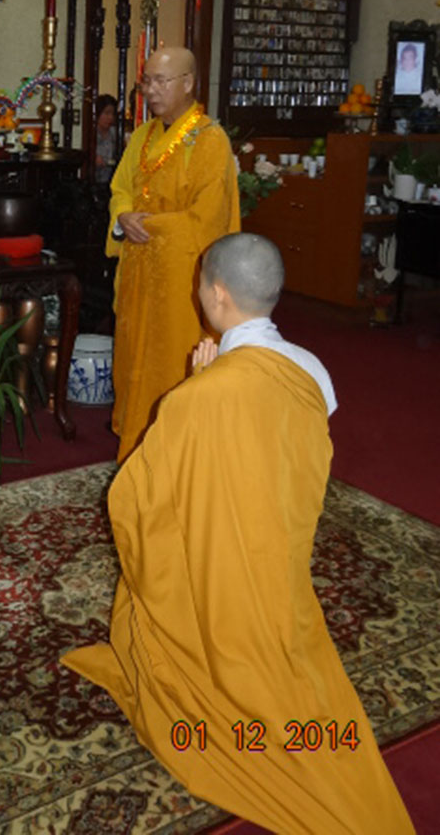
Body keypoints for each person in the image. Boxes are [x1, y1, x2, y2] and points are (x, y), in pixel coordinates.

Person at [61, 234, 415, 834]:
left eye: (201, 282)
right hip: (282, 563)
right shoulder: (313, 371)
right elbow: (274, 449)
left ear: (217, 296)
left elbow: (138, 500)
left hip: (220, 583)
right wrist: (210, 383)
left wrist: (195, 390)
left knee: (161, 569)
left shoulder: (198, 398)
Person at [107, 45, 238, 461]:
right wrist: (122, 216)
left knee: (171, 360)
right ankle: (134, 440)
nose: (150, 90)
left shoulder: (210, 140)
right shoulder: (143, 136)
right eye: (146, 81)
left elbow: (207, 218)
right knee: (133, 357)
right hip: (139, 274)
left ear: (188, 83)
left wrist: (146, 225)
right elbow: (120, 188)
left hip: (182, 280)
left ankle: (173, 451)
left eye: (161, 81)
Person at [94, 93, 117, 184]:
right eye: (107, 113)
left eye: (112, 114)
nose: (110, 117)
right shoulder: (90, 134)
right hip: (93, 181)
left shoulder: (114, 134)